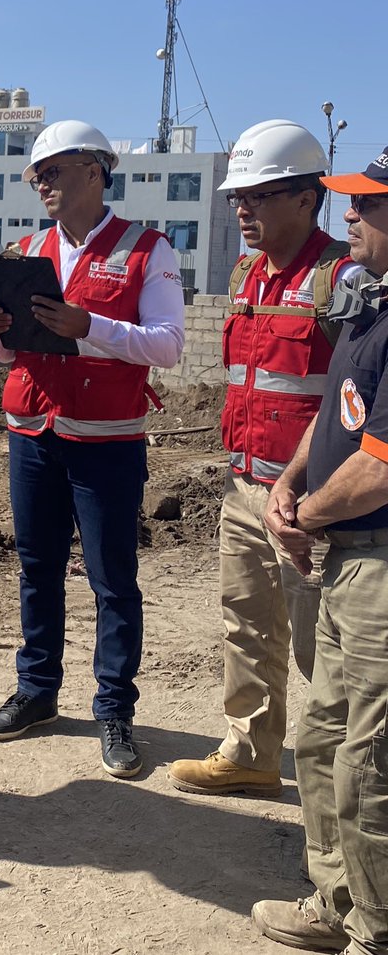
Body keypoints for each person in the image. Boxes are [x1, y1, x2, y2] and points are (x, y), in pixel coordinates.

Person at [0, 119, 185, 779]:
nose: (42, 184)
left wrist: (91, 326)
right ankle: (37, 690)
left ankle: (114, 707)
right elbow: (7, 352)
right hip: (33, 433)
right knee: (37, 568)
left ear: (95, 170)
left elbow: (169, 344)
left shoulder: (149, 250)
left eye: (54, 171)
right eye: (37, 175)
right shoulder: (26, 250)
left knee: (112, 580)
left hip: (106, 442)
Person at [170, 121, 353, 799]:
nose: (242, 209)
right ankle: (250, 750)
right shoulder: (247, 271)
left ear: (308, 198)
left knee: (321, 644)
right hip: (243, 482)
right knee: (244, 623)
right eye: (236, 197)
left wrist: (310, 494)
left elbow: (352, 393)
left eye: (259, 195)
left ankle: (344, 774)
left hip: (310, 500)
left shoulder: (341, 277)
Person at [252, 146, 388, 955]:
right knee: (325, 741)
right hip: (345, 559)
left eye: (366, 205)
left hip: (377, 565)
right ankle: (339, 901)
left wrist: (307, 513)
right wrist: (290, 479)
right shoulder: (371, 306)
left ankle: (377, 929)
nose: (350, 217)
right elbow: (338, 416)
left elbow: (378, 465)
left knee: (373, 767)